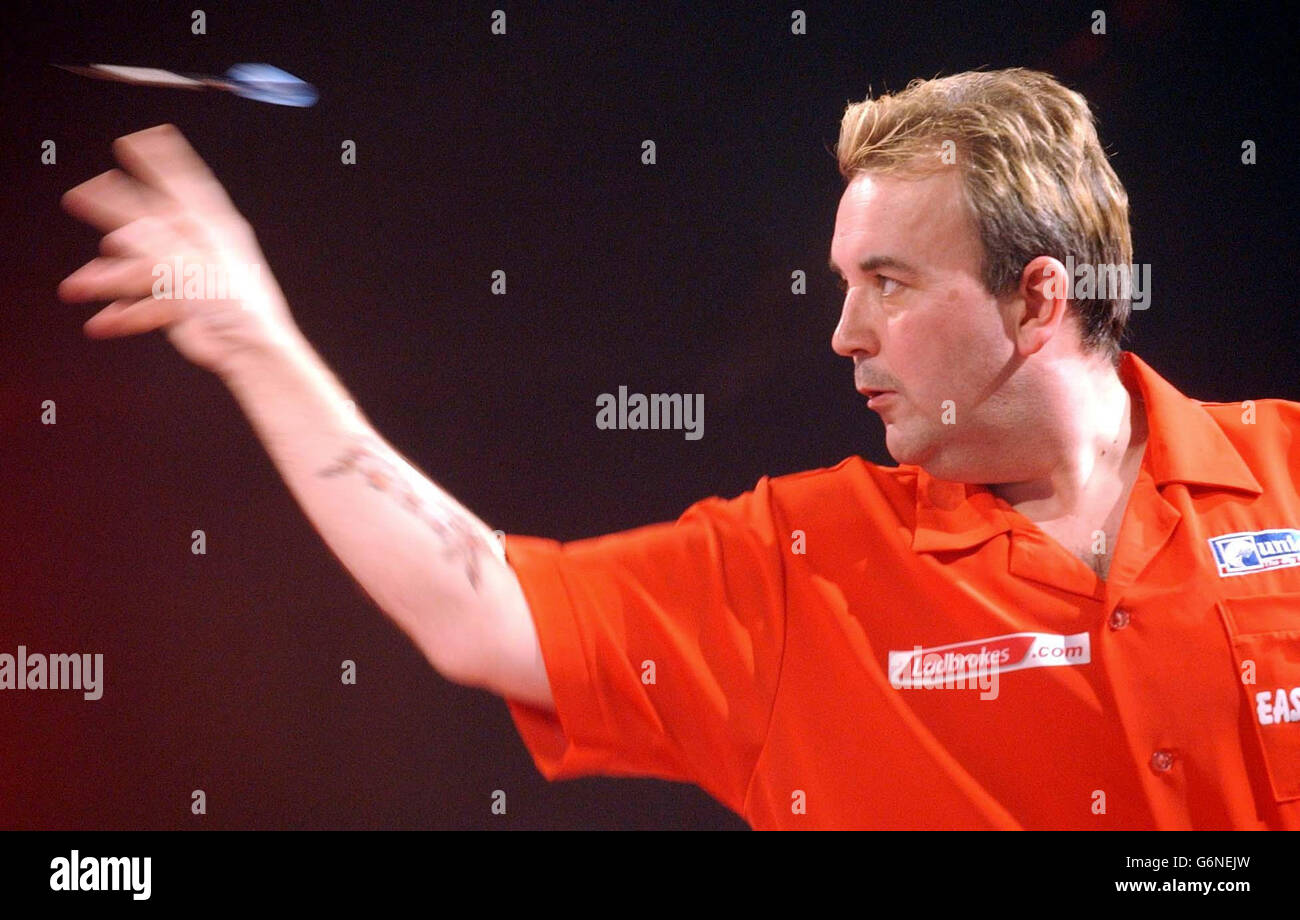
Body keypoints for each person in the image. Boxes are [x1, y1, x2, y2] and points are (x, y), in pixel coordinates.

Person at [57, 68, 1300, 830]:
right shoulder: (798, 562)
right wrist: (253, 336)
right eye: (840, 281)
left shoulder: (1287, 468)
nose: (843, 332)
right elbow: (471, 603)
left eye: (889, 283)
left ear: (1037, 299)